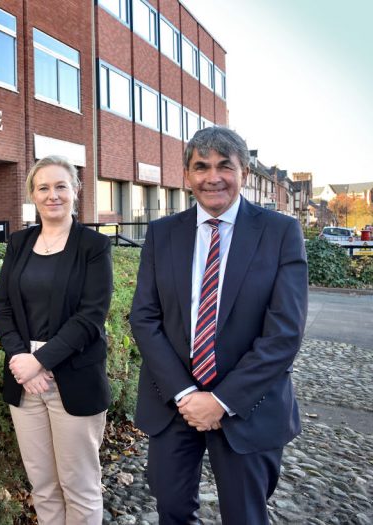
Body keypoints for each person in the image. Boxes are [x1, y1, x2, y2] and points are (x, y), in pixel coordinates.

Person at [130, 126, 308, 525]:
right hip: (173, 402)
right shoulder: (162, 234)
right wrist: (185, 392)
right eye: (201, 167)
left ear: (243, 170)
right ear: (187, 175)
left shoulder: (280, 233)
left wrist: (221, 401)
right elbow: (144, 317)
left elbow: (284, 334)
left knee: (245, 516)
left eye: (224, 166)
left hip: (248, 405)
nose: (213, 177)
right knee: (172, 510)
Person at [0, 156, 113, 525]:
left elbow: (91, 317)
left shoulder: (93, 246)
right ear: (32, 194)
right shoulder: (19, 242)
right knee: (42, 484)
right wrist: (21, 360)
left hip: (72, 376)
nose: (52, 195)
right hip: (24, 378)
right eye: (43, 187)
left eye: (61, 186)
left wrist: (40, 360)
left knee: (79, 485)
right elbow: (3, 309)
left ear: (76, 191)